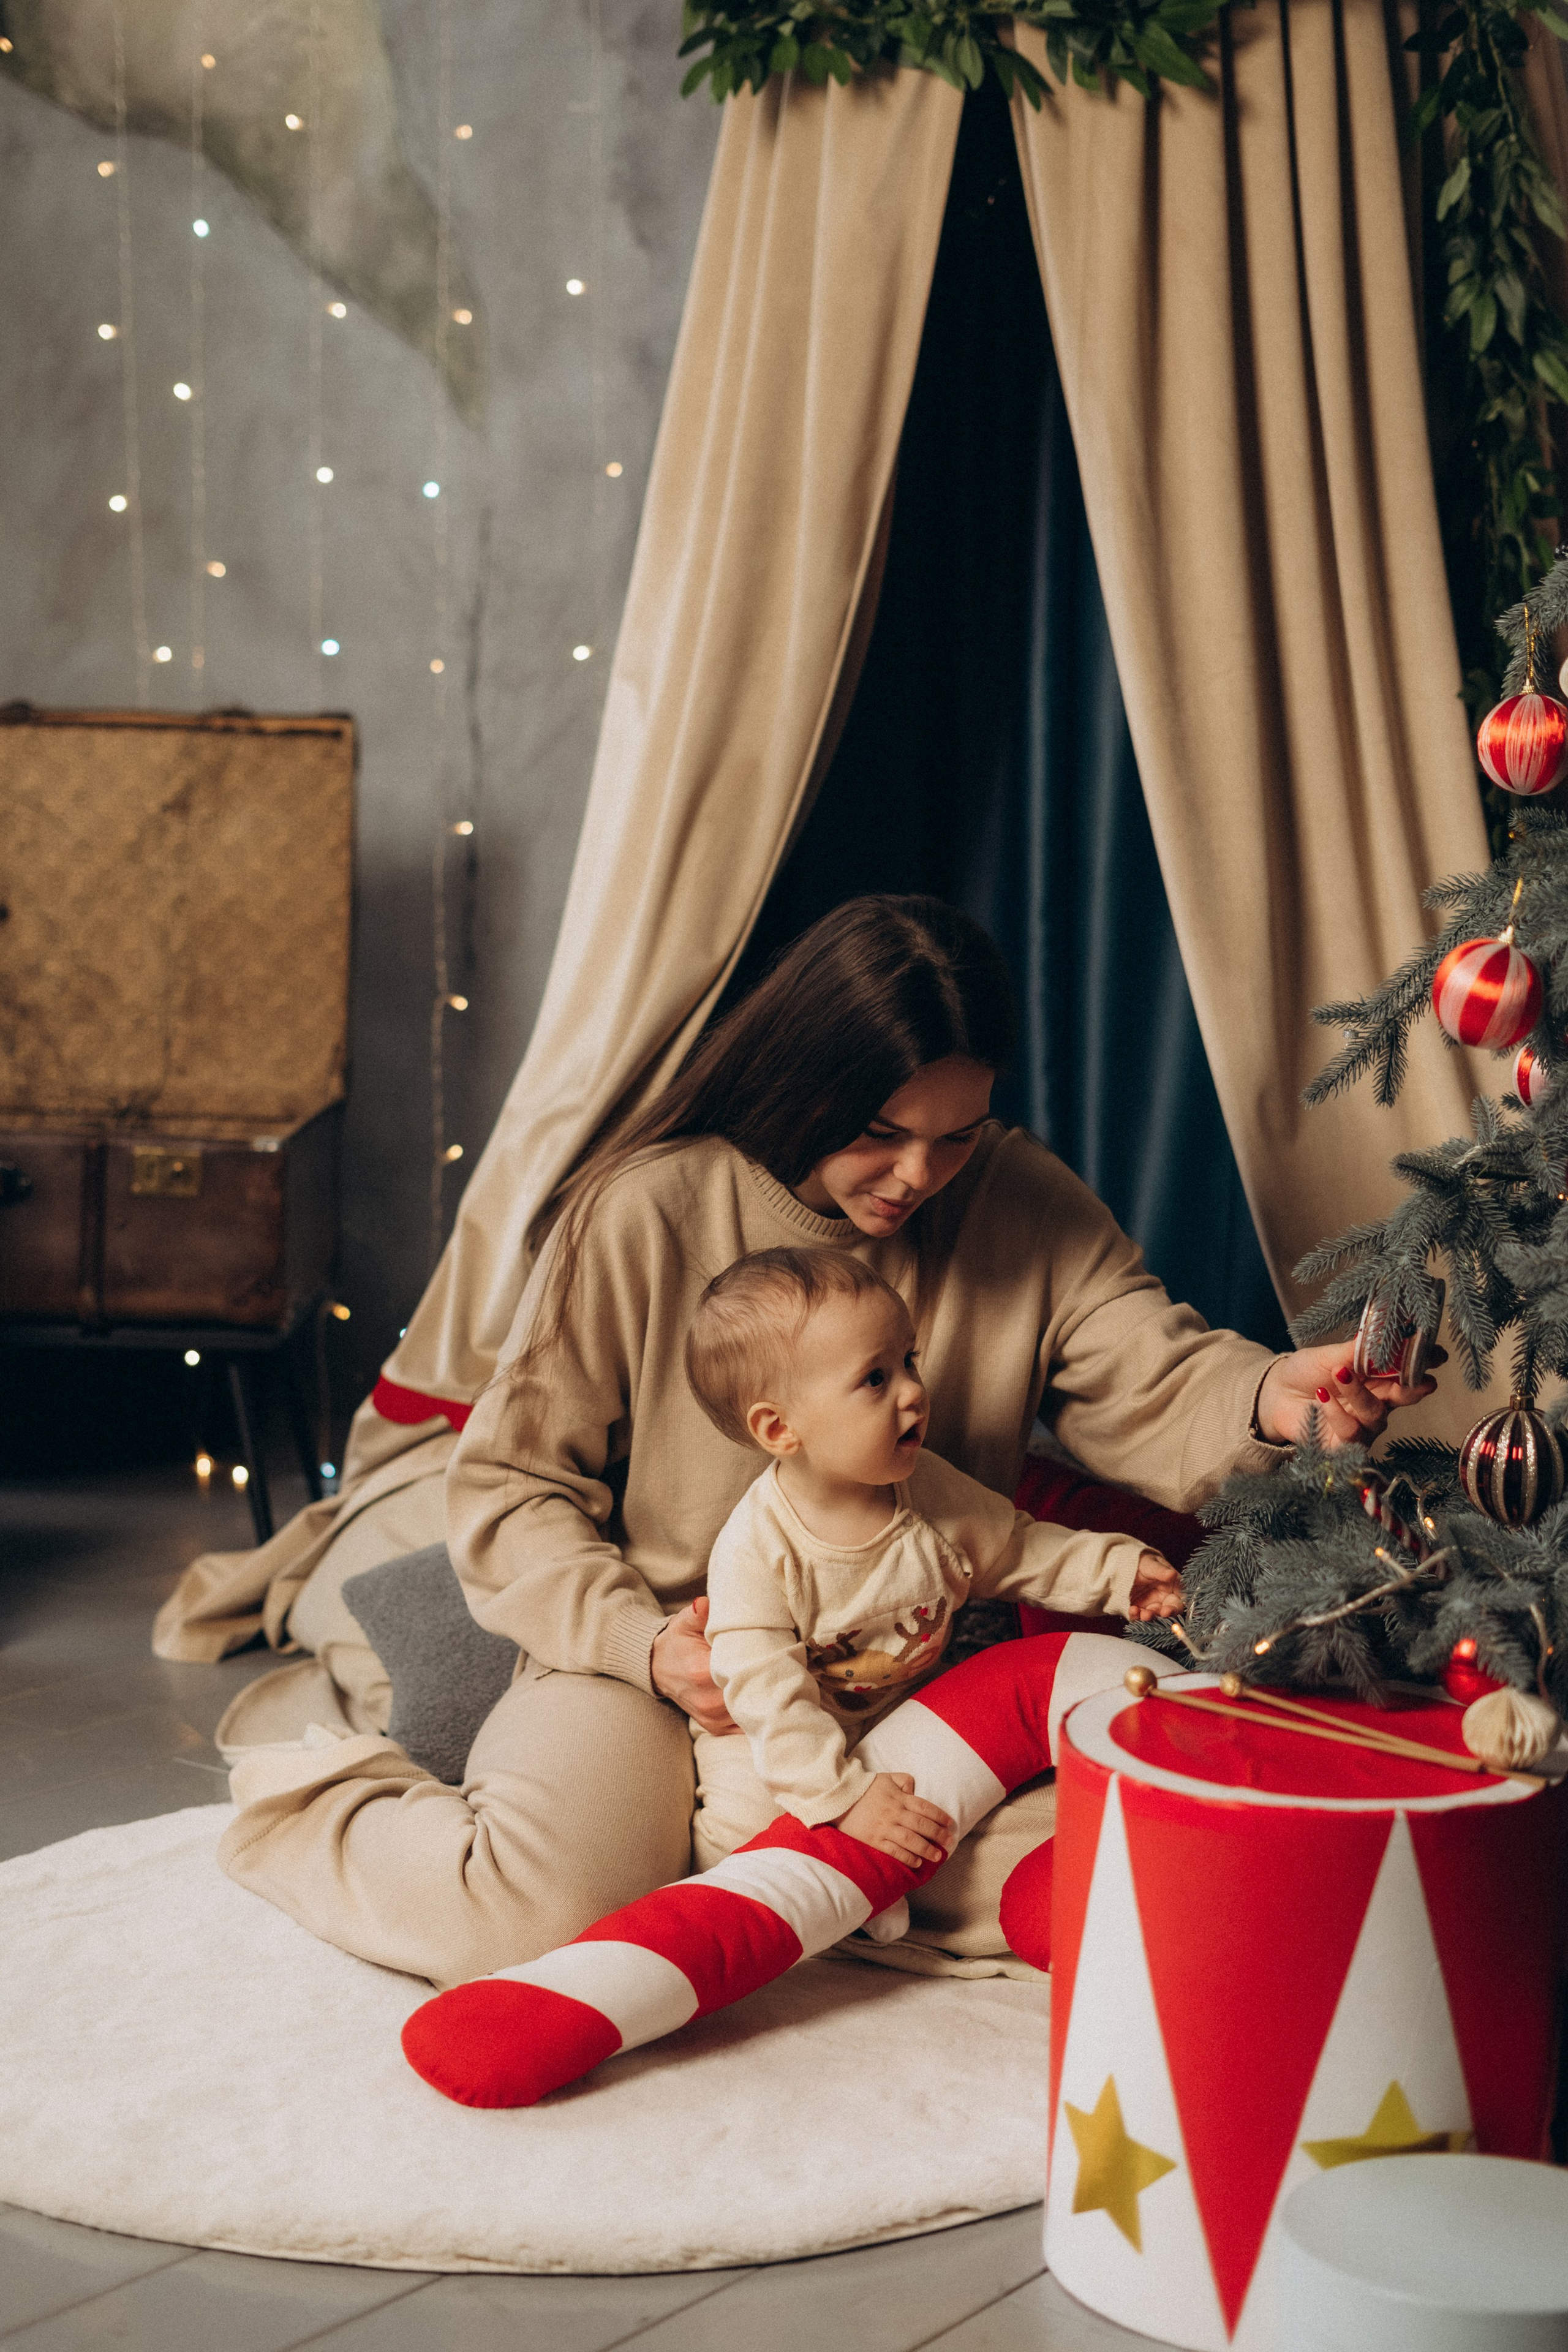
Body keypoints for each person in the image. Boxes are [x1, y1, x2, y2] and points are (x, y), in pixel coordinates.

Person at [219, 895, 1434, 1988]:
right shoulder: (646, 1208)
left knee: (1122, 1862)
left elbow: (1147, 1366)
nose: (916, 1178)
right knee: (528, 1920)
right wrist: (644, 1648)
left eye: (955, 1136)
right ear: (806, 1078)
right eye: (878, 1131)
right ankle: (317, 1794)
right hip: (653, 1665)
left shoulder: (1015, 1199)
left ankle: (784, 1866)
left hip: (897, 1672)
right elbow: (511, 1484)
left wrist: (1276, 1392)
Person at [688, 1245, 1182, 1876]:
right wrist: (838, 1796)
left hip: (900, 1715)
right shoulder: (756, 1549)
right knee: (745, 1831)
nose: (913, 1393)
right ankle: (794, 1899)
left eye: (908, 1361)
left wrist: (1116, 1574)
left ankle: (887, 1898)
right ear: (780, 1430)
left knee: (969, 1827)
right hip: (773, 1739)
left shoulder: (930, 1490)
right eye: (875, 1379)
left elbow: (1017, 1549)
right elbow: (766, 1696)